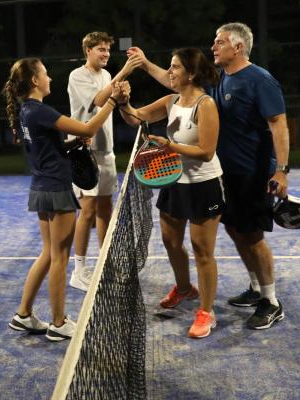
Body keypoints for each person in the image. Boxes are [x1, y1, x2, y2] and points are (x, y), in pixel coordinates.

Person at [128, 21, 290, 330]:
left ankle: (271, 300)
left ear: (237, 47)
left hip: (251, 173)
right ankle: (256, 288)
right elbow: (177, 82)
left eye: (219, 42)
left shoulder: (259, 79)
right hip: (223, 173)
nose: (213, 46)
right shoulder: (219, 81)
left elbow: (278, 122)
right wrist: (145, 63)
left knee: (253, 236)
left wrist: (281, 170)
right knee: (236, 231)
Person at [2, 57, 126, 341]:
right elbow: (88, 129)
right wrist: (112, 102)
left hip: (41, 188)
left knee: (48, 254)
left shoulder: (27, 112)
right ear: (35, 80)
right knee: (59, 258)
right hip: (56, 190)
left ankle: (24, 315)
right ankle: (58, 322)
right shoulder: (40, 110)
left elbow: (50, 145)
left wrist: (70, 144)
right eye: (45, 74)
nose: (50, 78)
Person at [119, 48, 223, 338]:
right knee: (170, 241)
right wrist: (123, 102)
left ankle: (206, 312)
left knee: (202, 250)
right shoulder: (170, 101)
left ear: (190, 73)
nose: (170, 71)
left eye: (175, 67)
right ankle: (185, 287)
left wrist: (171, 147)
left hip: (203, 184)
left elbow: (206, 151)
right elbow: (136, 117)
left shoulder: (206, 105)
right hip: (175, 182)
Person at [67, 32, 140, 292]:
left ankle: (104, 264)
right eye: (101, 49)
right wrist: (125, 72)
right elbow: (99, 101)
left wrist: (124, 96)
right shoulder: (77, 75)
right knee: (87, 211)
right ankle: (79, 270)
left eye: (108, 50)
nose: (106, 53)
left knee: (105, 210)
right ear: (88, 50)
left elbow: (112, 99)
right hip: (83, 152)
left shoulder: (107, 76)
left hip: (106, 151)